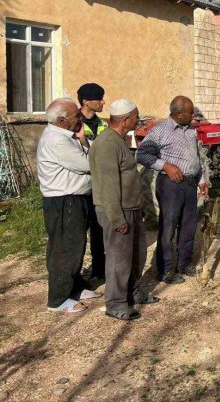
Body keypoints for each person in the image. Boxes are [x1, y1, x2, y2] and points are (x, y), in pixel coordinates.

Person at [89, 99, 158, 321]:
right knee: (119, 258)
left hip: (131, 208)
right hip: (117, 210)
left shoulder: (119, 140)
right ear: (126, 119)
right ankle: (116, 303)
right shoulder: (108, 144)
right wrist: (117, 218)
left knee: (136, 253)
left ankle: (133, 292)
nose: (139, 120)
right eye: (136, 116)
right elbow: (108, 186)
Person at [36, 98, 100, 313]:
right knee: (65, 249)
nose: (81, 118)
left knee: (76, 246)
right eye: (76, 116)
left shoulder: (67, 135)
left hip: (75, 198)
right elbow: (89, 164)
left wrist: (83, 141)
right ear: (62, 120)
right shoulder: (56, 140)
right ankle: (58, 299)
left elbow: (87, 156)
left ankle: (75, 287)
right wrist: (85, 145)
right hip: (64, 201)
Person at [136, 96, 206, 284]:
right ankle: (165, 270)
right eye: (190, 112)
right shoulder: (160, 131)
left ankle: (184, 264)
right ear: (178, 113)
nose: (193, 115)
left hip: (190, 184)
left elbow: (197, 158)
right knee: (168, 228)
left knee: (189, 226)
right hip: (170, 185)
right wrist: (165, 166)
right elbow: (142, 154)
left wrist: (202, 179)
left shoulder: (191, 131)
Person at [76, 82, 107, 286]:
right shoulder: (73, 123)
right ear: (86, 102)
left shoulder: (103, 124)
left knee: (99, 230)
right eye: (99, 99)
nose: (103, 102)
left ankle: (99, 270)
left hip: (101, 185)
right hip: (80, 186)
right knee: (78, 235)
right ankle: (75, 276)